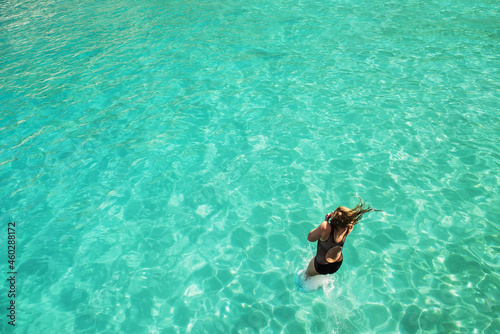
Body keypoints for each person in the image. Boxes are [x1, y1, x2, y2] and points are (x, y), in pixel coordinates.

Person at [304, 199, 380, 279]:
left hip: (321, 265)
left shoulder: (325, 227)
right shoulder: (350, 227)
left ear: (334, 219)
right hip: (336, 264)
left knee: (306, 276)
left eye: (334, 211)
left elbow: (310, 238)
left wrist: (325, 223)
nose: (332, 211)